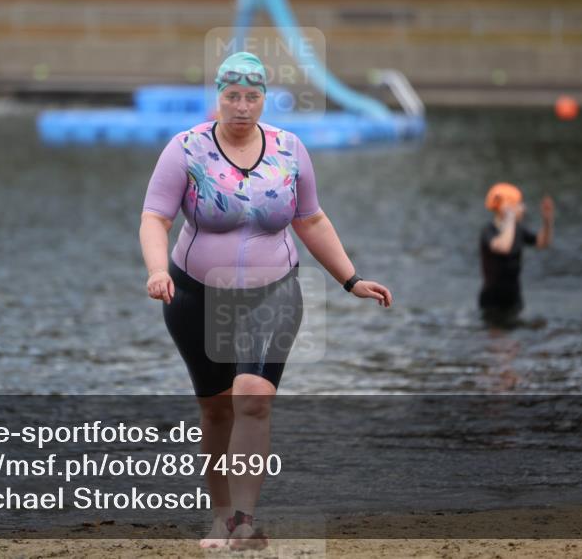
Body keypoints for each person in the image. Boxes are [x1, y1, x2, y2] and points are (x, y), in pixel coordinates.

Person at [139, 51, 392, 549]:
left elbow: (312, 219)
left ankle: (244, 522)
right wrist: (154, 271)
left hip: (273, 293)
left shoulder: (289, 149)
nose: (241, 106)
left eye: (251, 96)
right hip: (194, 295)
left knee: (253, 397)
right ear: (218, 96)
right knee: (216, 410)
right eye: (232, 96)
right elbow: (155, 218)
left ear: (263, 98)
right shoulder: (186, 148)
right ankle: (220, 517)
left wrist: (350, 279)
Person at [478, 183, 554, 323]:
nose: (523, 208)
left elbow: (543, 243)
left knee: (515, 342)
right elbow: (503, 246)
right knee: (495, 342)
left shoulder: (518, 229)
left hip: (514, 296)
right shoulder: (488, 231)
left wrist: (547, 220)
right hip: (493, 300)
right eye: (519, 204)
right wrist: (510, 218)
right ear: (506, 209)